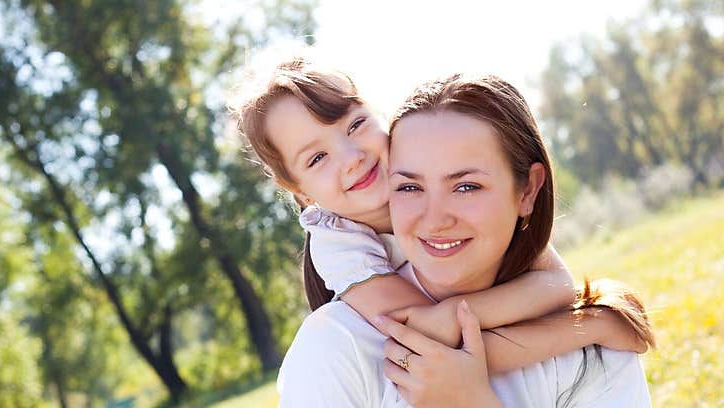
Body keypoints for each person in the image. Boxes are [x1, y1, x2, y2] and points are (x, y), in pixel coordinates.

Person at [266, 71, 724, 408]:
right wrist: (577, 329)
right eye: (411, 187)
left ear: (527, 190)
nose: (435, 219)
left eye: (466, 185)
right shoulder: (337, 339)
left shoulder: (584, 343)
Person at [231, 55, 650, 380]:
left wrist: (460, 316)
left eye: (355, 124)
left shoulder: (430, 166)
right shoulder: (340, 244)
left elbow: (555, 282)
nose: (352, 157)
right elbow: (437, 344)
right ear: (300, 191)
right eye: (318, 157)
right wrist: (589, 327)